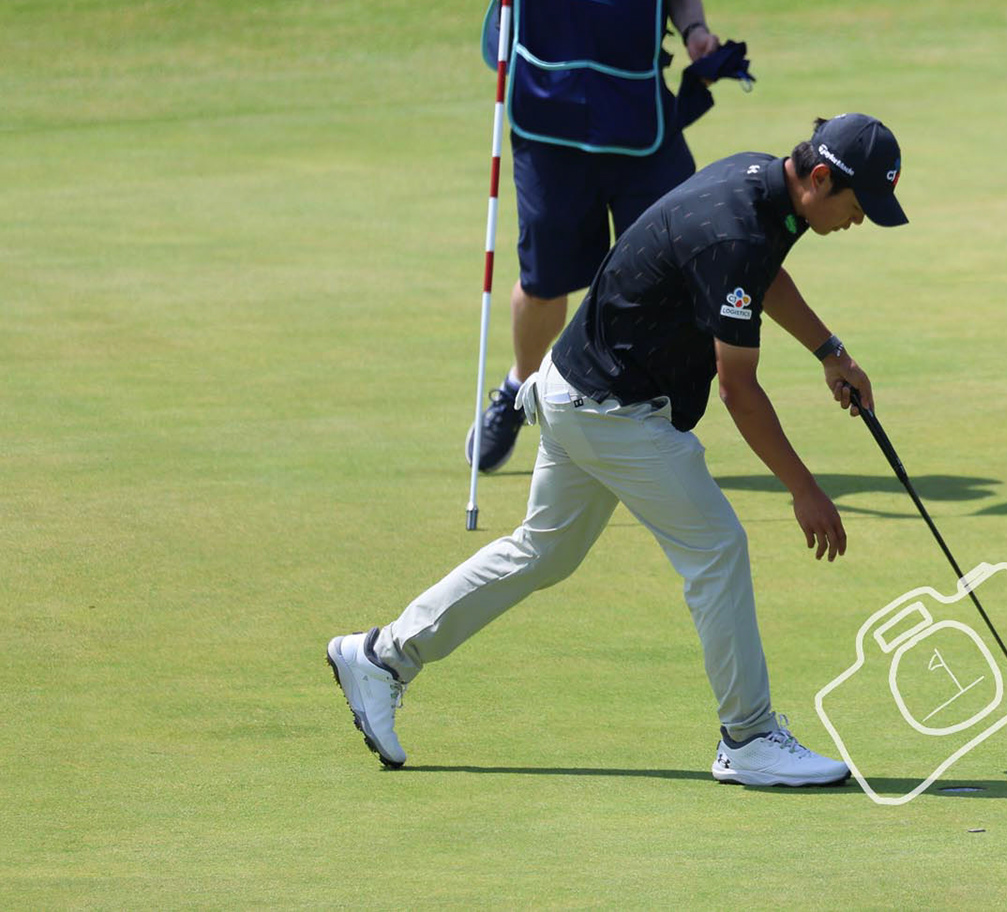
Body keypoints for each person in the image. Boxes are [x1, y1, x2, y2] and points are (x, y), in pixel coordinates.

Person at [328, 114, 909, 786]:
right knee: (717, 548)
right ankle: (748, 737)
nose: (859, 221)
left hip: (574, 388)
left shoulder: (760, 185)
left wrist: (829, 351)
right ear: (820, 178)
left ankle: (381, 656)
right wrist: (803, 489)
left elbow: (761, 274)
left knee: (542, 552)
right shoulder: (738, 229)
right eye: (859, 205)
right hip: (612, 412)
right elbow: (738, 389)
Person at [463, 0, 737, 473]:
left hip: (638, 115)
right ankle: (519, 389)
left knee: (674, 265)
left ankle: (640, 407)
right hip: (548, 114)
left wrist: (696, 30)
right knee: (546, 280)